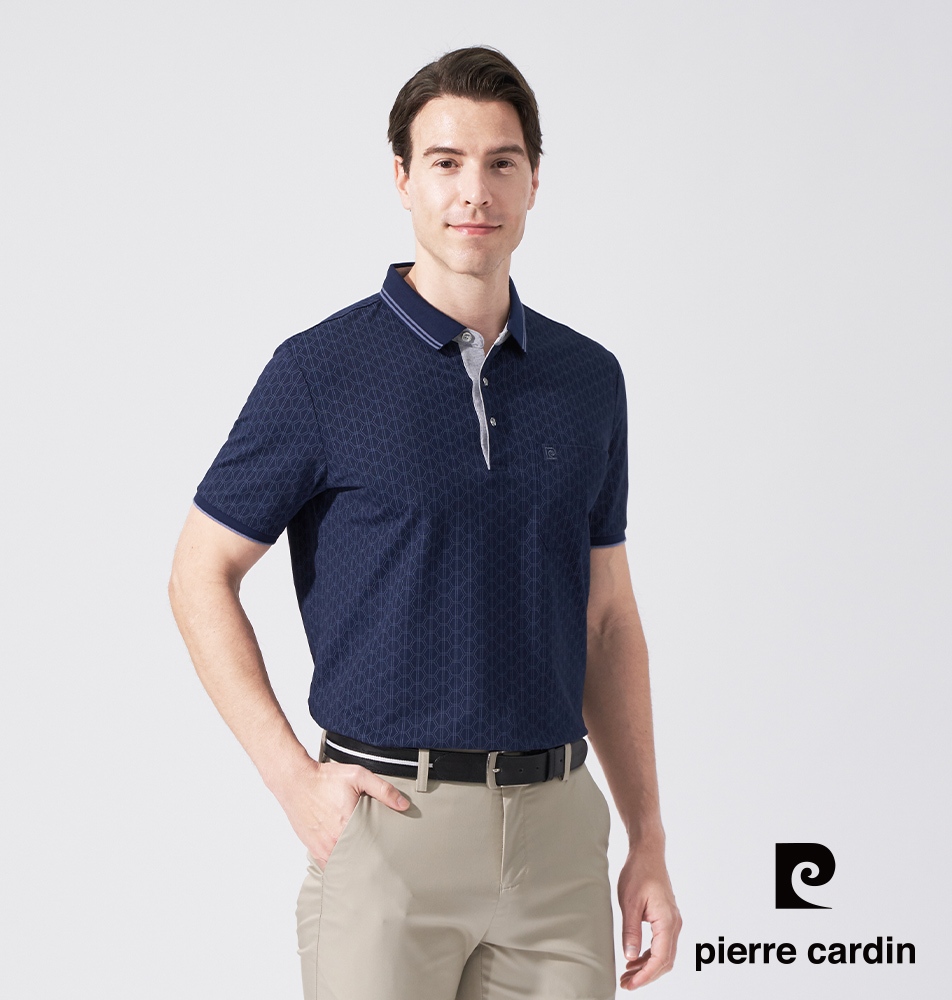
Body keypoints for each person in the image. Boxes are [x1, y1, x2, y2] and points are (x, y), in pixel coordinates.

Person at [169, 45, 681, 999]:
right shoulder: (320, 372)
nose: (474, 191)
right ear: (403, 179)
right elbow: (199, 572)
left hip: (559, 842)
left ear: (534, 181)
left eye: (501, 162)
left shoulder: (589, 380)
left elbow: (608, 619)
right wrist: (291, 780)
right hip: (389, 831)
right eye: (446, 162)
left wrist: (647, 839)